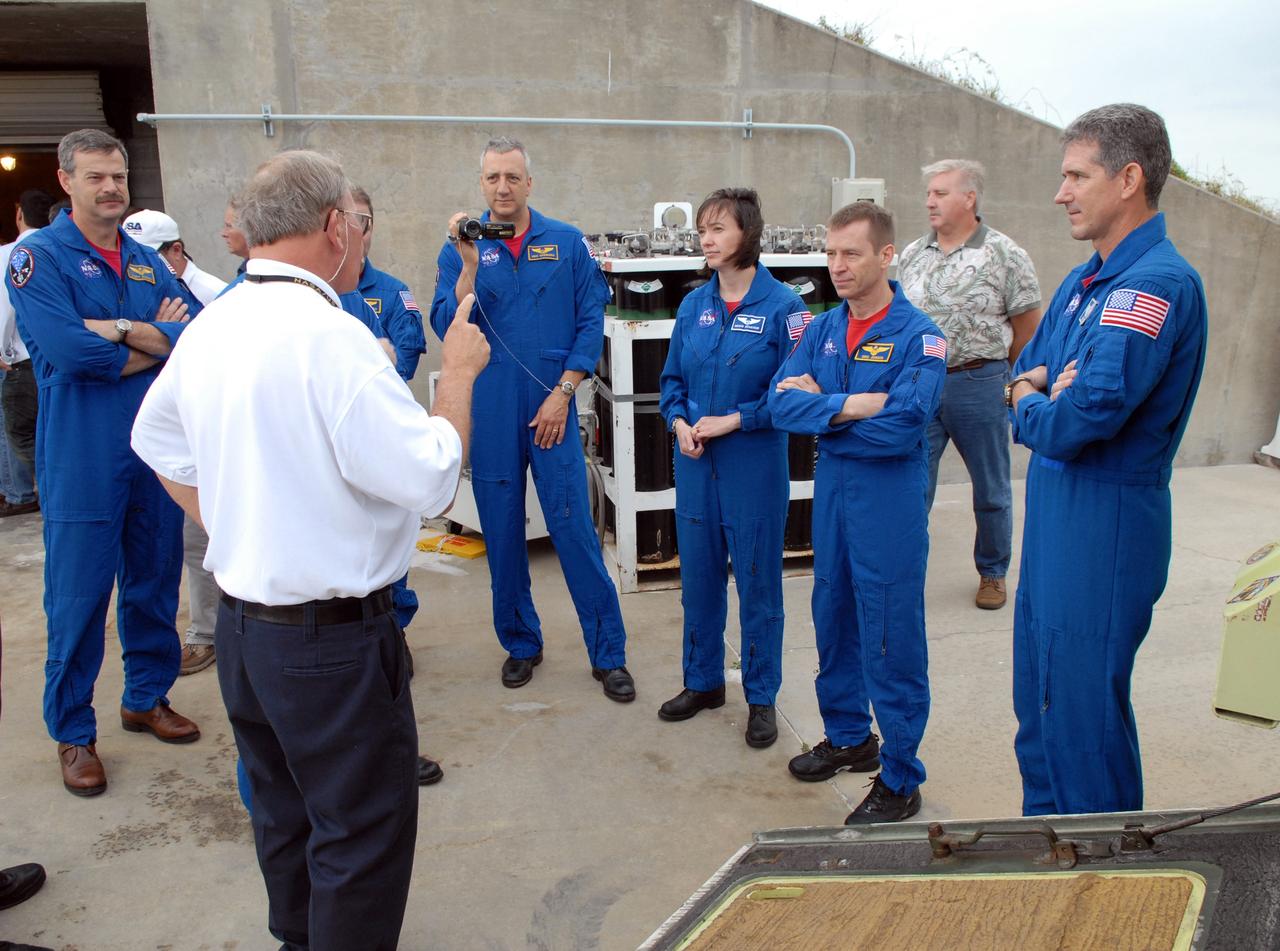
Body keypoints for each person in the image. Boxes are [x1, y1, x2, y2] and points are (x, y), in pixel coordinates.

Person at [130, 148, 489, 950]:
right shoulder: (333, 336)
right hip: (331, 643)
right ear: (334, 227)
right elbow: (431, 480)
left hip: (246, 631)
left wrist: (237, 527)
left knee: (285, 814)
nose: (360, 239)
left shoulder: (215, 321)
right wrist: (457, 376)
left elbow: (156, 439)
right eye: (357, 224)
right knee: (361, 836)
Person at [1008, 104, 1208, 816]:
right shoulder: (1082, 283)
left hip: (1107, 523)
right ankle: (1051, 856)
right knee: (1039, 708)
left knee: (1083, 722)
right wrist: (1038, 392)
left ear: (1129, 179)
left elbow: (1082, 415)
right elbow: (1027, 371)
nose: (1061, 192)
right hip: (1057, 519)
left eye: (1075, 175)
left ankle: (1107, 886)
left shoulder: (1152, 286)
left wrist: (1034, 405)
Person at [5, 129, 203, 798]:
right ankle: (73, 730)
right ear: (66, 181)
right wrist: (152, 337)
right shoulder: (38, 258)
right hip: (83, 455)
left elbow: (196, 333)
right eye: (95, 177)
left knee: (153, 579)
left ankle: (146, 696)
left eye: (117, 176)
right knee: (79, 596)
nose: (111, 187)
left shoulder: (147, 260)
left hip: (153, 451)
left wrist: (117, 330)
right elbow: (65, 350)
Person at [429, 136, 633, 701]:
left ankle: (608, 654)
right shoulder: (460, 250)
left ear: (529, 183)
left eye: (512, 177)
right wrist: (469, 264)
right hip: (491, 407)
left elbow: (591, 321)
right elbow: (448, 324)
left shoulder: (566, 243)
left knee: (573, 529)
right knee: (500, 531)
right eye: (492, 178)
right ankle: (521, 643)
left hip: (553, 408)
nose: (502, 188)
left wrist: (564, 393)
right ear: (481, 184)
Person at [768, 202, 945, 824]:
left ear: (886, 255)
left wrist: (828, 408)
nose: (837, 267)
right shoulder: (817, 330)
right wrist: (858, 405)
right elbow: (780, 406)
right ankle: (849, 737)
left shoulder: (919, 336)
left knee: (891, 634)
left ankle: (900, 775)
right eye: (831, 254)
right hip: (836, 497)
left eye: (852, 254)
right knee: (834, 616)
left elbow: (903, 429)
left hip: (888, 504)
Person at [657, 187, 809, 748]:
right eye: (702, 229)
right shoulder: (693, 305)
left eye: (718, 228)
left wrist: (735, 421)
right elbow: (671, 382)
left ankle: (762, 696)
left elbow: (794, 395)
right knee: (696, 582)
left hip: (752, 468)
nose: (706, 239)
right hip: (695, 468)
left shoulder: (785, 310)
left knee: (758, 586)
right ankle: (702, 682)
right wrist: (678, 423)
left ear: (748, 232)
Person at [896, 160, 1042, 610]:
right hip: (922, 382)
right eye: (929, 193)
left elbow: (1029, 328)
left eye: (940, 193)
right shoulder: (913, 253)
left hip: (980, 381)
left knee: (991, 488)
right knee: (911, 483)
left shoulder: (1004, 253)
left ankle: (993, 572)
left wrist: (1006, 380)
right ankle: (903, 571)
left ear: (969, 198)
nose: (929, 201)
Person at [339, 185, 428, 635]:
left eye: (365, 221)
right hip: (333, 442)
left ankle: (394, 631)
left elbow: (403, 363)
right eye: (348, 219)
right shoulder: (320, 290)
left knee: (389, 535)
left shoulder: (392, 293)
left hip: (381, 437)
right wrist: (375, 351)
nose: (358, 230)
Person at [0, 189, 53, 518]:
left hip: (18, 361)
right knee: (51, 429)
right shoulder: (58, 249)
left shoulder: (11, 253)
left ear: (20, 215)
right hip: (53, 358)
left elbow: (6, 308)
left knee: (17, 432)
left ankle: (24, 493)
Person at [123, 209, 228, 305]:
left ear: (176, 250)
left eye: (146, 255)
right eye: (128, 254)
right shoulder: (129, 290)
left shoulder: (217, 295)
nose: (134, 262)